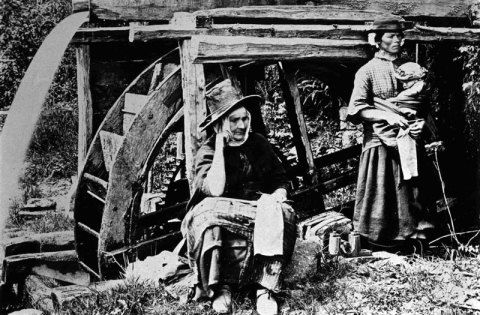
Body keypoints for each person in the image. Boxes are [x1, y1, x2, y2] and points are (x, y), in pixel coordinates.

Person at [181, 79, 296, 314]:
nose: (242, 125)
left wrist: (278, 195)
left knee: (282, 213)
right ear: (220, 124)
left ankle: (265, 288)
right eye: (234, 120)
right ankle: (221, 289)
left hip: (256, 210)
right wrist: (222, 148)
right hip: (221, 212)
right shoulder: (209, 151)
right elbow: (215, 190)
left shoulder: (259, 143)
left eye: (245, 118)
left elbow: (280, 179)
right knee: (209, 218)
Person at [347, 16, 435, 250]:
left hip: (410, 140)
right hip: (379, 141)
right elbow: (356, 108)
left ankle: (414, 239)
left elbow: (421, 105)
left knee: (413, 190)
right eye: (390, 36)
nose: (397, 40)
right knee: (381, 190)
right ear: (377, 40)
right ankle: (379, 240)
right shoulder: (366, 71)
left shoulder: (410, 68)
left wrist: (420, 123)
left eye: (399, 36)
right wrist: (387, 115)